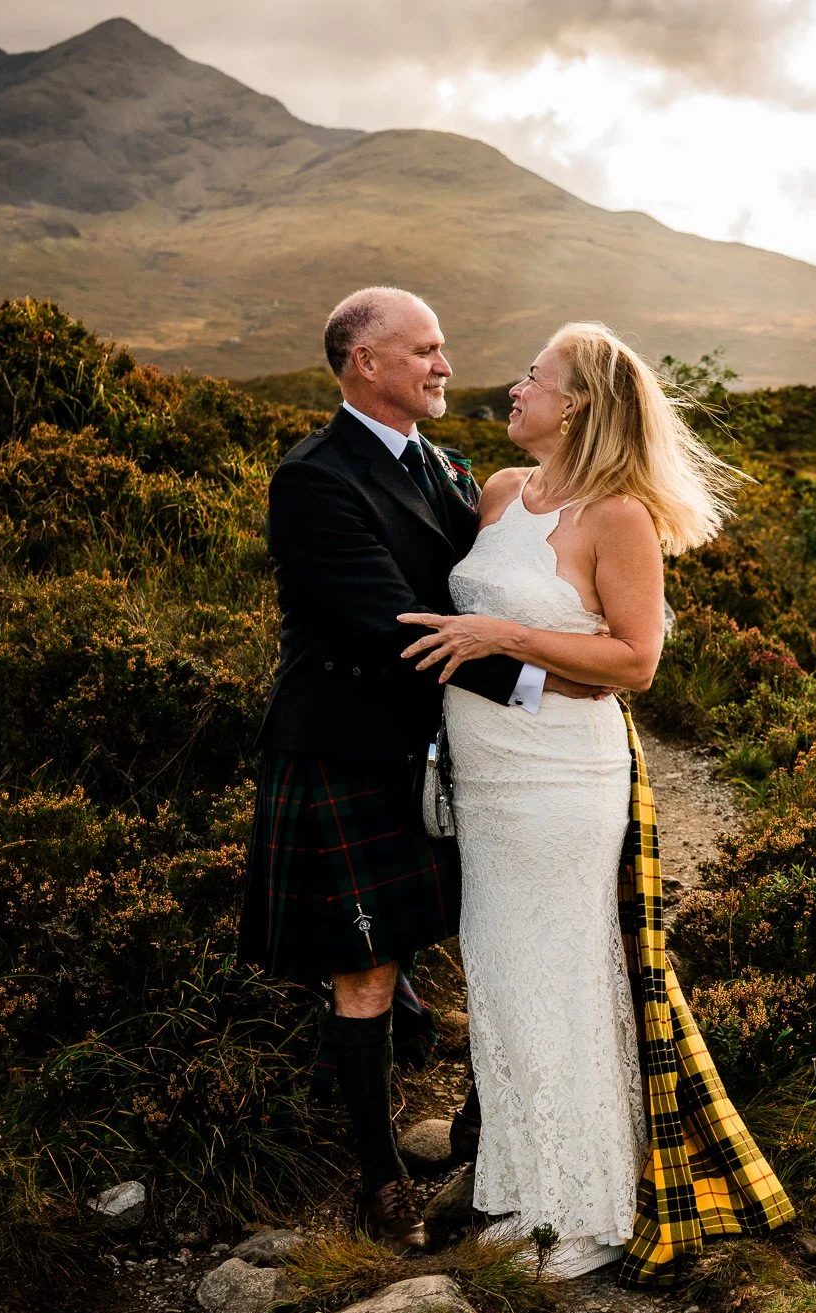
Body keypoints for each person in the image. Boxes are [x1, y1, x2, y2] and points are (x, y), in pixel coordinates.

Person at [396, 321, 792, 1280]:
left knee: (565, 977)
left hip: (561, 781)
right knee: (498, 974)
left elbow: (636, 661)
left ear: (575, 404)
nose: (516, 386)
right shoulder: (497, 493)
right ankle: (526, 1187)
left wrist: (507, 638)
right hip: (483, 779)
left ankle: (591, 1212)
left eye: (535, 376)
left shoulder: (618, 517)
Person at [241, 288, 595, 1251]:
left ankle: (481, 1135)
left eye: (443, 347)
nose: (445, 365)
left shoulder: (444, 462)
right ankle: (380, 1179)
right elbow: (401, 627)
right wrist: (554, 685)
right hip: (343, 749)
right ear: (365, 363)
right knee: (365, 969)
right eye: (425, 350)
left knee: (489, 935)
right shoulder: (314, 480)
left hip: (446, 750)